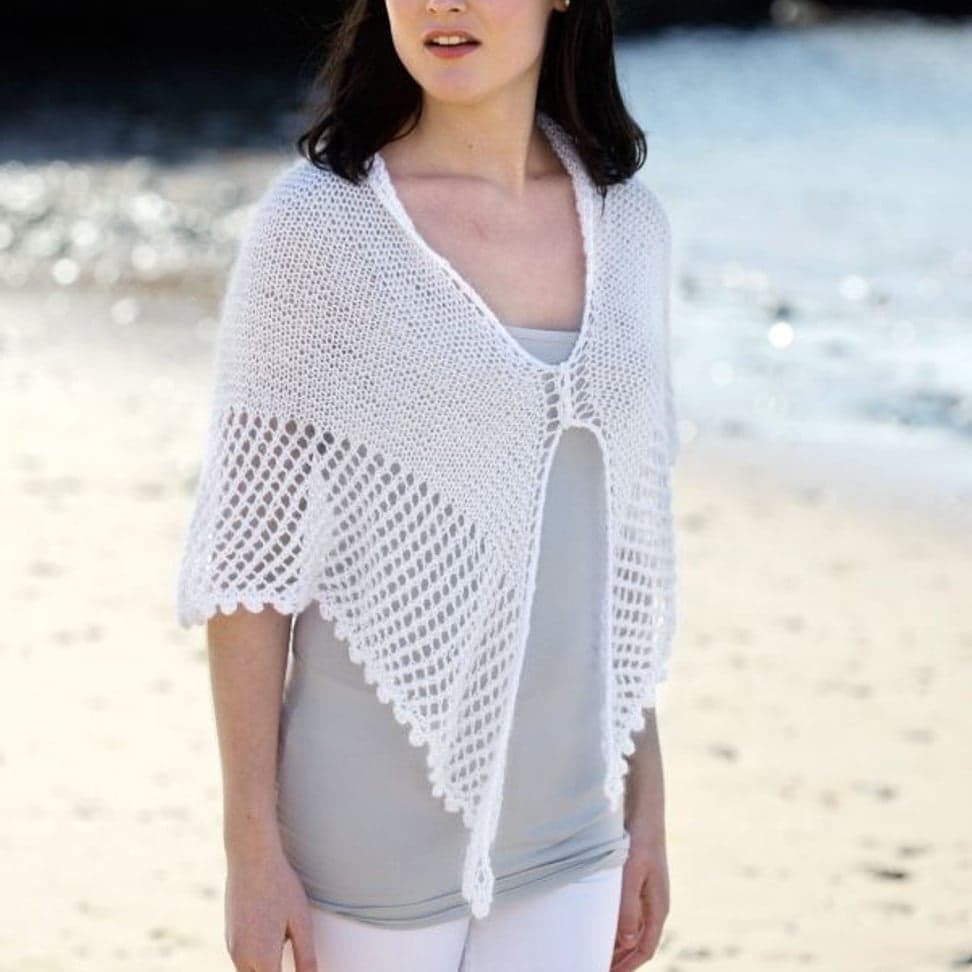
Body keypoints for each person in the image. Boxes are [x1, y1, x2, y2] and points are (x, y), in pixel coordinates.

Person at [182, 1, 677, 969]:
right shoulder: (318, 229)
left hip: (575, 836)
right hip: (360, 846)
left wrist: (646, 805)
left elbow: (619, 562)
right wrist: (251, 850)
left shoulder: (631, 227)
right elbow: (248, 569)